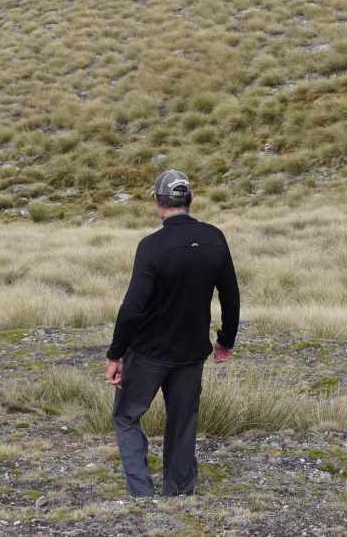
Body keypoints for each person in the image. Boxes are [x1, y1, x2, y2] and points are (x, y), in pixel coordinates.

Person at [105, 169, 240, 498]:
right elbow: (231, 296)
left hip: (149, 352)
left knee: (126, 415)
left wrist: (115, 354)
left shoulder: (151, 246)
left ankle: (142, 495)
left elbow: (133, 307)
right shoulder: (215, 238)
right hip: (192, 352)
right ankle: (179, 493)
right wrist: (225, 341)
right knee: (182, 421)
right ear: (191, 199)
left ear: (157, 201)